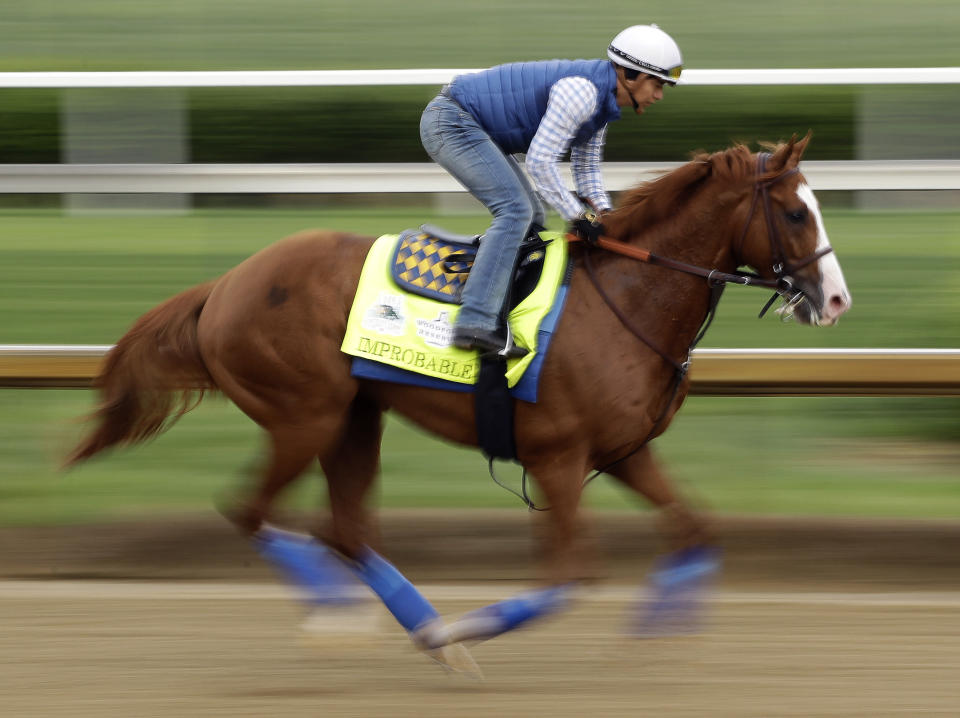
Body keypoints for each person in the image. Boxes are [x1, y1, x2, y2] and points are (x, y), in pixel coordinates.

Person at [420, 24, 683, 358]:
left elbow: (586, 170)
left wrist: (603, 215)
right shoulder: (582, 93)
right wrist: (577, 214)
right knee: (516, 211)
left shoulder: (602, 106)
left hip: (469, 124)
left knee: (533, 215)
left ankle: (502, 305)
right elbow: (541, 163)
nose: (659, 95)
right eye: (657, 84)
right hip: (451, 122)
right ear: (630, 75)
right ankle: (474, 322)